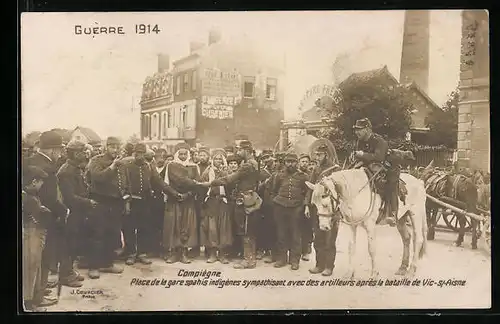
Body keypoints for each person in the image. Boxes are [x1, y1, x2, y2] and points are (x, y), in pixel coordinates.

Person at [24, 131, 71, 300]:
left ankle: (38, 290)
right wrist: (64, 210)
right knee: (43, 257)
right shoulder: (48, 167)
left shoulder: (31, 160)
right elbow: (50, 198)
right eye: (59, 149)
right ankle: (38, 295)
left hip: (32, 216)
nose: (61, 153)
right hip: (45, 217)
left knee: (35, 257)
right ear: (52, 150)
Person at [204, 140, 262, 269]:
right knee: (249, 230)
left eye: (239, 150)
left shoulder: (247, 165)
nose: (238, 152)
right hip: (250, 197)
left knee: (246, 230)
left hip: (245, 198)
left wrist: (210, 183)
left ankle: (249, 260)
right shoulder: (254, 163)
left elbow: (229, 179)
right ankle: (250, 258)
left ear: (246, 150)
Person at [122, 142, 182, 266]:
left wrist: (174, 193)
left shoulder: (149, 167)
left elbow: (160, 182)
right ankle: (131, 254)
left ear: (145, 154)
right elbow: (123, 185)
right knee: (129, 229)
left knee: (144, 228)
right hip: (131, 202)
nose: (140, 156)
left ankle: (142, 253)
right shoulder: (127, 166)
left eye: (142, 154)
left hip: (145, 202)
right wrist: (126, 201)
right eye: (137, 154)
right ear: (134, 154)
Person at [57, 140, 97, 285]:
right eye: (82, 151)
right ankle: (65, 276)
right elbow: (70, 197)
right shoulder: (66, 171)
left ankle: (70, 272)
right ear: (74, 153)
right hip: (71, 213)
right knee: (69, 245)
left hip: (79, 212)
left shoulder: (75, 168)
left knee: (75, 244)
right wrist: (88, 202)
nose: (85, 154)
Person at [85, 136, 127, 279]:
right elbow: (97, 177)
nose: (115, 150)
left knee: (112, 233)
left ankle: (108, 263)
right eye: (112, 147)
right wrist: (112, 167)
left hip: (115, 202)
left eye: (117, 147)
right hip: (99, 201)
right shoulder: (96, 160)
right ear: (106, 147)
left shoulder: (120, 162)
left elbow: (123, 180)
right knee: (97, 234)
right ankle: (93, 266)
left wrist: (124, 196)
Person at [352, 118, 398, 226]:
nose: (356, 132)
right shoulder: (360, 141)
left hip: (389, 166)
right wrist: (355, 159)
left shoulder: (379, 141)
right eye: (356, 129)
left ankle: (392, 213)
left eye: (359, 129)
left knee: (389, 184)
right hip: (371, 166)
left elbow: (379, 157)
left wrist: (362, 155)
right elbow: (362, 157)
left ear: (367, 129)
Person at [163, 143, 202, 264]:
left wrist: (187, 194)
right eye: (181, 154)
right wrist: (176, 194)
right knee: (174, 226)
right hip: (174, 199)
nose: (183, 156)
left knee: (186, 225)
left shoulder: (194, 167)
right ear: (177, 154)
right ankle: (174, 253)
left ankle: (184, 252)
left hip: (188, 200)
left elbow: (197, 184)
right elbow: (167, 183)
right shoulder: (171, 166)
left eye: (185, 153)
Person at [306, 139, 340, 276]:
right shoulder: (316, 169)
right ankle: (319, 265)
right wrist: (307, 206)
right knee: (318, 238)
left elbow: (340, 191)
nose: (317, 158)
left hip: (330, 209)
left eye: (319, 155)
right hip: (317, 209)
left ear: (326, 155)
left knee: (330, 240)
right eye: (316, 155)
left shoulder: (336, 169)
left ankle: (329, 266)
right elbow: (310, 188)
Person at [271, 153, 309, 270]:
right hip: (280, 207)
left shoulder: (303, 176)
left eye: (293, 162)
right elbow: (274, 190)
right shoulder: (279, 175)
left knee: (295, 234)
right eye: (288, 162)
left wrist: (304, 205)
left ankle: (294, 260)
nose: (290, 164)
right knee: (281, 233)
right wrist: (276, 202)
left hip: (296, 208)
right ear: (285, 163)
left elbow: (307, 192)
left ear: (297, 163)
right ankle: (282, 258)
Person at [22, 166, 52, 310]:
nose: (42, 185)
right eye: (41, 182)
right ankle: (28, 304)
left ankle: (35, 298)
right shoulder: (28, 198)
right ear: (34, 182)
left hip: (33, 233)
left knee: (35, 266)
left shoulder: (29, 195)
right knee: (30, 268)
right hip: (31, 234)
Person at [199, 149, 232, 264]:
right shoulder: (208, 171)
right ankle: (212, 253)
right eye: (216, 159)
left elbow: (230, 184)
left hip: (223, 201)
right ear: (212, 160)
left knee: (223, 228)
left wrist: (224, 173)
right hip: (211, 201)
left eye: (220, 159)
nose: (218, 161)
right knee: (212, 228)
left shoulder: (227, 171)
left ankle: (222, 254)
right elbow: (201, 185)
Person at [256, 149, 276, 263]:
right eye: (264, 158)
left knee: (274, 227)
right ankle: (263, 249)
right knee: (263, 227)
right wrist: (265, 182)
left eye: (268, 157)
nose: (266, 160)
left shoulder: (278, 170)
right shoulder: (261, 173)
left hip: (276, 202)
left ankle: (273, 251)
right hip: (264, 203)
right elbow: (257, 189)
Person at [298, 153, 313, 261]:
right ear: (299, 162)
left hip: (308, 203)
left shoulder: (312, 174)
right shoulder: (296, 174)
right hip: (297, 203)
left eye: (306, 162)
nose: (304, 163)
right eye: (302, 161)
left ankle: (306, 250)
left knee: (307, 228)